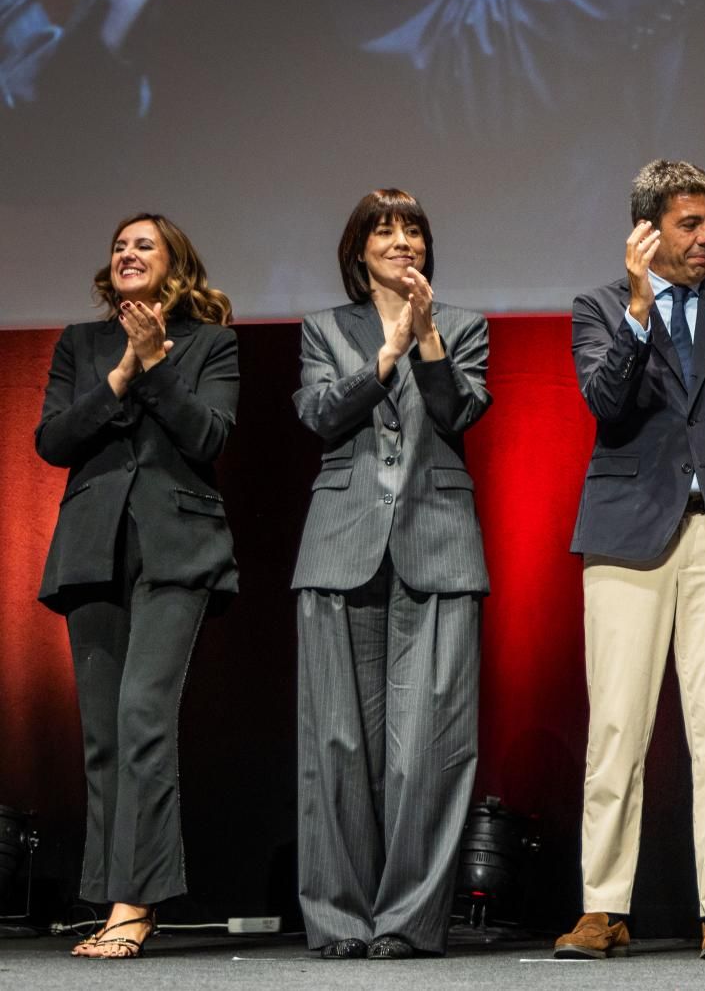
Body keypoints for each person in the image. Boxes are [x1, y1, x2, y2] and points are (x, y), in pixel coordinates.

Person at [559, 159, 705, 961]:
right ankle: (602, 904)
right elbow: (606, 402)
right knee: (617, 725)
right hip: (627, 533)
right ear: (648, 232)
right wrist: (640, 314)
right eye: (690, 225)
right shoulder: (599, 306)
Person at [292, 188, 492, 960]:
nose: (402, 241)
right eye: (385, 231)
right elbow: (317, 414)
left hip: (438, 542)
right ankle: (340, 921)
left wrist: (427, 336)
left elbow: (458, 415)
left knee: (429, 751)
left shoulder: (464, 325)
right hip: (341, 543)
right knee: (336, 746)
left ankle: (408, 921)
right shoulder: (324, 328)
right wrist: (383, 356)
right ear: (359, 250)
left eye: (413, 230)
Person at [35, 212, 237, 958]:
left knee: (145, 716)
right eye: (118, 245)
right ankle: (110, 894)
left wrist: (155, 365)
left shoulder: (213, 344)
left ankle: (134, 903)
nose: (125, 253)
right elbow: (53, 441)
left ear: (174, 264)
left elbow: (210, 436)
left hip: (178, 548)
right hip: (91, 548)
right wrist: (121, 371)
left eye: (142, 245)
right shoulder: (80, 344)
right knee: (104, 737)